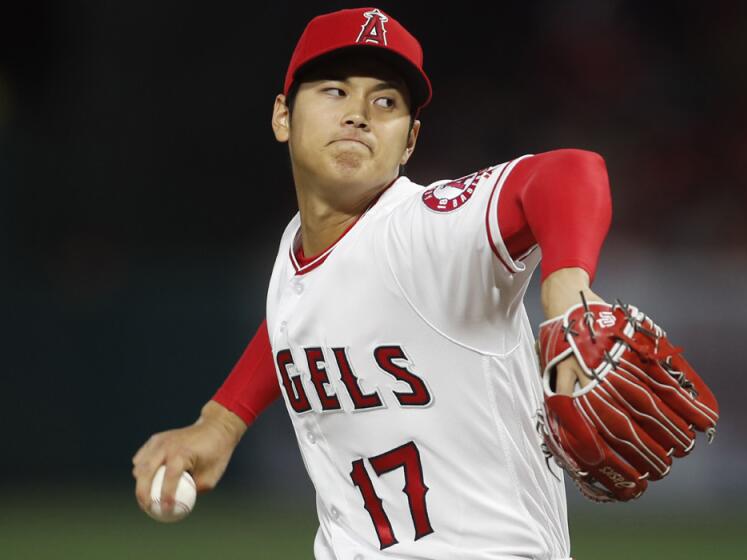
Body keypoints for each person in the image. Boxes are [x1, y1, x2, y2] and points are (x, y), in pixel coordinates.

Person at [132, 7, 616, 559]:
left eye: (384, 102)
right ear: (282, 117)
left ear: (409, 142)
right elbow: (302, 317)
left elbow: (569, 171)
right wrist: (220, 422)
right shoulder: (301, 248)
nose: (359, 114)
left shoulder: (424, 229)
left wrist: (565, 291)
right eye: (335, 91)